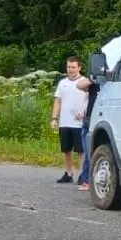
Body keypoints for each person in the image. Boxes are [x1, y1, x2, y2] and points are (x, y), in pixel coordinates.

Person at [50, 56, 88, 184]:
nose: (70, 70)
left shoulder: (85, 82)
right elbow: (58, 101)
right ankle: (68, 173)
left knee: (81, 150)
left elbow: (90, 100)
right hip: (64, 122)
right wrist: (54, 118)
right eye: (68, 67)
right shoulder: (62, 83)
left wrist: (84, 112)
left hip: (79, 123)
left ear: (79, 68)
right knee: (66, 149)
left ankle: (83, 174)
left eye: (73, 67)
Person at [75, 65, 103, 191]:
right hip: (89, 120)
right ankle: (86, 180)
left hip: (102, 119)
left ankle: (92, 179)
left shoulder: (111, 84)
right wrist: (94, 78)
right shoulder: (94, 83)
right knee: (87, 153)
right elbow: (79, 85)